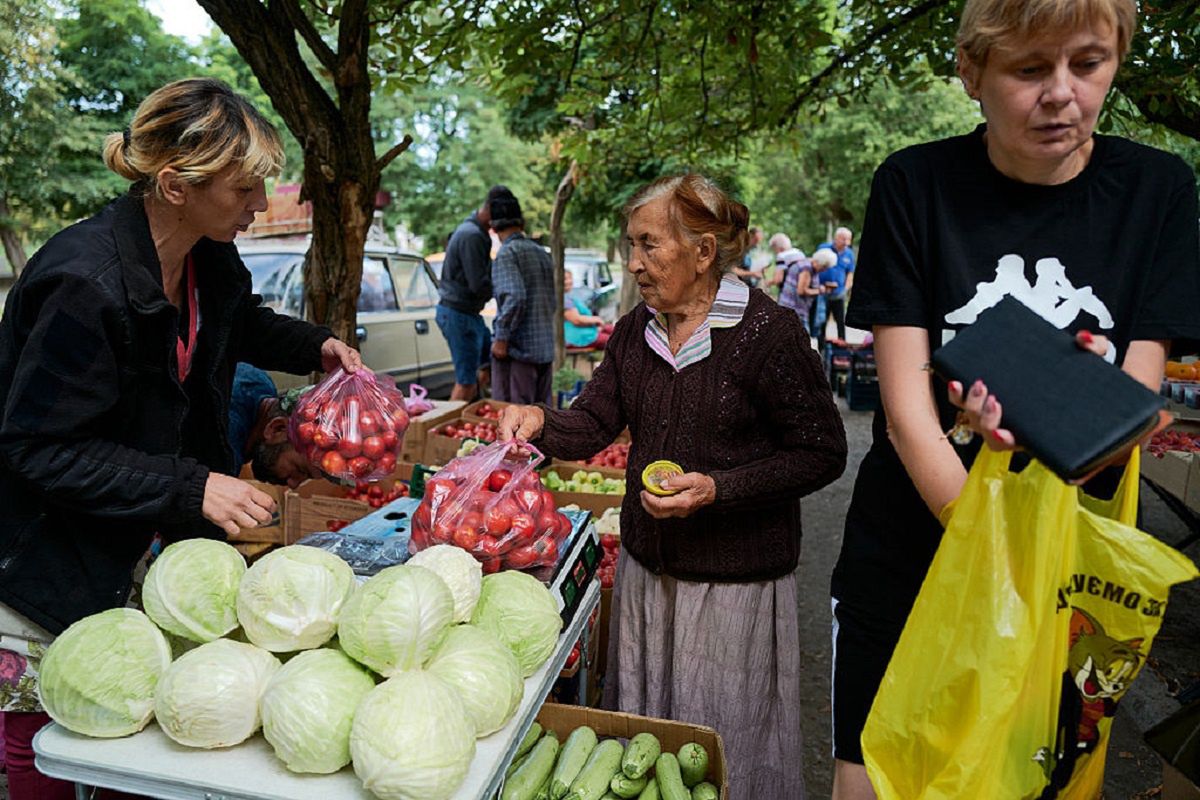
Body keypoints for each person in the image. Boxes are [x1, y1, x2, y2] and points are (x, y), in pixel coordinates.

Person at [828, 1, 1199, 798]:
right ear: (972, 72)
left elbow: (1130, 396)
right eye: (1030, 69)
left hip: (1067, 569)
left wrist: (1089, 410)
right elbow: (904, 411)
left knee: (1046, 777)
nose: (1062, 92)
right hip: (913, 554)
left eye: (1089, 62)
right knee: (874, 776)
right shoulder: (913, 185)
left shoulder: (1158, 191)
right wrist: (988, 558)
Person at [0, 78, 361, 800]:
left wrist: (316, 345)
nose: (260, 206)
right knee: (45, 733)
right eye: (244, 189)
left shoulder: (204, 253)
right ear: (173, 185)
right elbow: (39, 447)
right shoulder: (84, 282)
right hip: (43, 550)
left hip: (128, 532)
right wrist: (189, 485)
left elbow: (241, 322)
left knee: (128, 729)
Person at [499, 173, 847, 799]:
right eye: (631, 245)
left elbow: (820, 453)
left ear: (704, 252)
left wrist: (718, 488)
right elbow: (595, 421)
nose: (634, 263)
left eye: (648, 245)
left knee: (720, 753)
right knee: (646, 759)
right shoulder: (637, 330)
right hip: (645, 577)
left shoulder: (769, 335)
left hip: (733, 589)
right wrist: (540, 422)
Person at [436, 186, 508, 401]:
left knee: (488, 365)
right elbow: (478, 284)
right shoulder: (472, 235)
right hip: (458, 314)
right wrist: (506, 285)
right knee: (465, 382)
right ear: (490, 210)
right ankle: (446, 431)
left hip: (469, 315)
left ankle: (469, 417)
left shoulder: (476, 232)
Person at [489, 192, 557, 404]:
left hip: (520, 354)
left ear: (494, 227)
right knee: (541, 420)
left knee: (517, 426)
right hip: (544, 351)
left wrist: (501, 337)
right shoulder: (540, 252)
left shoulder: (508, 253)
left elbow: (515, 297)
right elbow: (551, 300)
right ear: (522, 223)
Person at [765, 232, 816, 330]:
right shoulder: (799, 253)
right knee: (800, 322)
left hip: (787, 294)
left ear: (778, 247)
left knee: (784, 322)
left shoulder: (782, 256)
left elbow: (778, 279)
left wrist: (768, 282)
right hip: (802, 291)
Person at [815, 226, 856, 340]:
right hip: (822, 293)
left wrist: (846, 288)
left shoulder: (849, 254)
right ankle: (822, 350)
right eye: (844, 239)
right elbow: (815, 266)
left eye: (849, 239)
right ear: (836, 238)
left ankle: (841, 350)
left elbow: (850, 273)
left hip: (839, 293)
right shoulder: (823, 248)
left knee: (841, 322)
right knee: (822, 321)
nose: (847, 242)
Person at [563, 270, 614, 349]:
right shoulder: (564, 300)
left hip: (584, 331)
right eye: (565, 279)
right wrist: (596, 320)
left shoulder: (569, 296)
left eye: (570, 278)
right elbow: (576, 320)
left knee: (615, 330)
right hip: (575, 336)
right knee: (614, 341)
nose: (569, 281)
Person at [808, 247, 838, 355]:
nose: (825, 270)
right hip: (802, 310)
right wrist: (819, 290)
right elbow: (802, 290)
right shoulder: (807, 268)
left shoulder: (814, 271)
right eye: (825, 267)